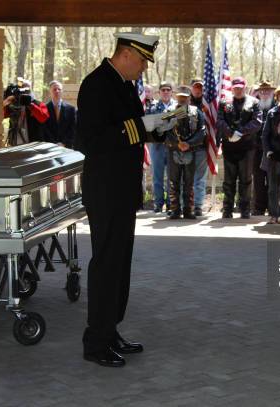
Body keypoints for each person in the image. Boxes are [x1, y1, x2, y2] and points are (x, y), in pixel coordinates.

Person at [76, 32, 164, 368]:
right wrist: (143, 127)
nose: (144, 69)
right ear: (126, 54)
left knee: (119, 263)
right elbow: (93, 139)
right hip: (105, 189)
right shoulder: (97, 85)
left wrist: (161, 126)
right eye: (142, 61)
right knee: (106, 263)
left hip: (123, 188)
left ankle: (110, 329)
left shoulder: (124, 86)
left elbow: (133, 130)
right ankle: (95, 341)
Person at [216, 77, 262, 219]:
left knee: (246, 180)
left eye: (240, 87)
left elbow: (257, 122)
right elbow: (219, 121)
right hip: (229, 147)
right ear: (232, 88)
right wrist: (230, 132)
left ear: (245, 87)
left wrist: (241, 132)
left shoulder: (254, 102)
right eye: (235, 87)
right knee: (228, 181)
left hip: (247, 148)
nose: (238, 90)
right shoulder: (224, 102)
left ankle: (245, 209)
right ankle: (227, 209)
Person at [162, 86, 206, 219]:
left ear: (189, 98)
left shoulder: (196, 112)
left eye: (185, 97)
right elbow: (164, 131)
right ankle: (175, 209)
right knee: (173, 181)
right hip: (173, 151)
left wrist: (189, 143)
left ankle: (188, 210)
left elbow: (202, 131)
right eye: (180, 97)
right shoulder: (169, 112)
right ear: (176, 97)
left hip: (190, 150)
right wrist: (177, 143)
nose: (182, 99)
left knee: (189, 181)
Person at [261, 85, 280, 224]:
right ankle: (273, 214)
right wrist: (269, 152)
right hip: (273, 156)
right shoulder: (272, 113)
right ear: (277, 97)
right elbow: (265, 135)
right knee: (272, 188)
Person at [147, 81, 176, 213]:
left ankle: (171, 204)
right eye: (163, 90)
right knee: (157, 177)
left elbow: (178, 124)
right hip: (157, 146)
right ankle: (158, 203)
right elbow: (149, 123)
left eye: (168, 90)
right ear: (159, 92)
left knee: (171, 177)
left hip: (172, 146)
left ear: (171, 92)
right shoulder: (152, 106)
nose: (165, 92)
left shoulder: (177, 106)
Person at [252, 80, 276, 216]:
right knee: (258, 179)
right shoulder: (254, 107)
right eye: (262, 91)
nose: (265, 93)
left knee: (273, 179)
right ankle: (259, 207)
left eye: (267, 91)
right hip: (256, 149)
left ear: (272, 92)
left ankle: (273, 207)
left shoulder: (278, 107)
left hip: (273, 149)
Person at [2, 77, 49, 145]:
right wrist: (5, 103)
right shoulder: (13, 103)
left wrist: (30, 105)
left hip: (32, 143)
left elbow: (44, 118)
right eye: (22, 89)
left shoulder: (37, 104)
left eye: (27, 90)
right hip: (15, 142)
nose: (24, 92)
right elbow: (0, 116)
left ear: (31, 90)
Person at [189, 78, 209, 216]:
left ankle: (197, 205)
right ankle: (186, 205)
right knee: (187, 178)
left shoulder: (208, 104)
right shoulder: (185, 103)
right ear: (191, 88)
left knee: (200, 178)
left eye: (200, 88)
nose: (198, 90)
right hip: (187, 147)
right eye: (196, 87)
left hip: (202, 146)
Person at [44, 80, 77, 148]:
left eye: (59, 89)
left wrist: (64, 143)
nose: (57, 91)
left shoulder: (71, 109)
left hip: (66, 147)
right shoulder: (44, 109)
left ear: (62, 91)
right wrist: (53, 144)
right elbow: (44, 129)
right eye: (54, 89)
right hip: (49, 146)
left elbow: (72, 129)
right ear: (50, 92)